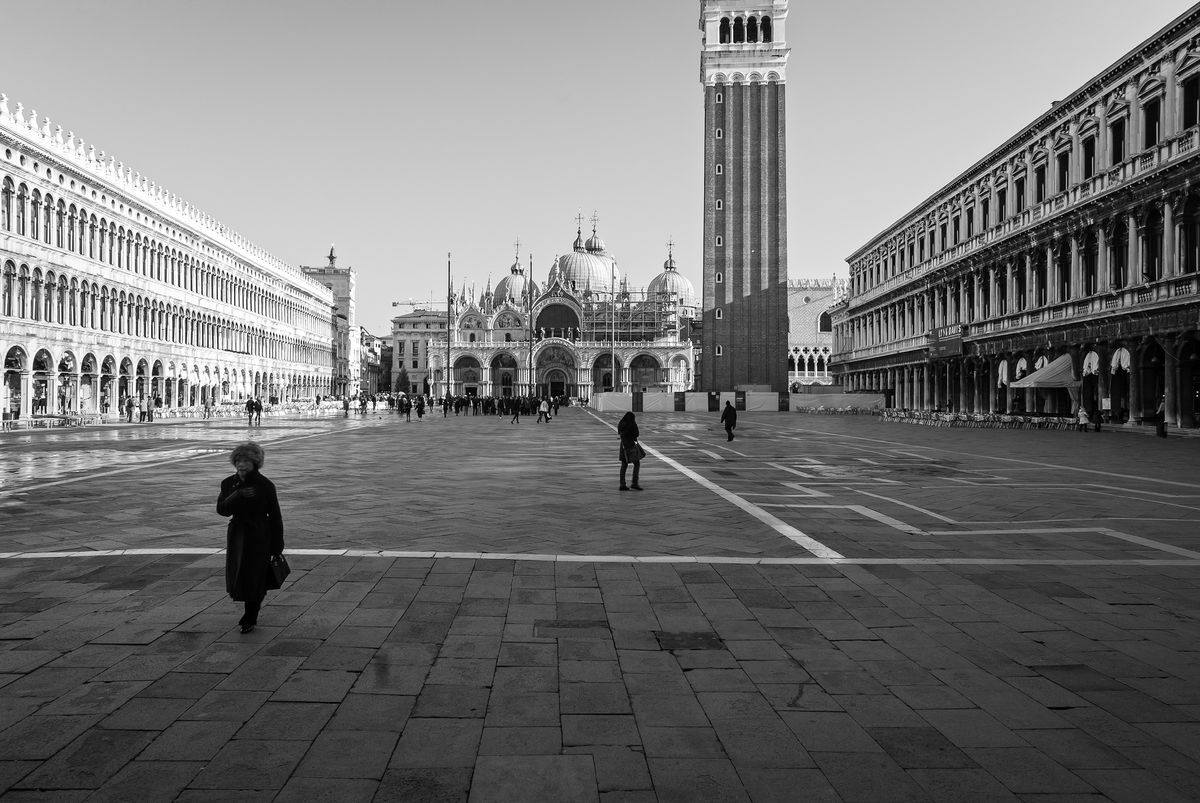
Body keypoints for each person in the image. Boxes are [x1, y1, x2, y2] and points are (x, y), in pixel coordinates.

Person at [216, 442, 285, 633]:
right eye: (238, 460)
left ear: (255, 463)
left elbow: (276, 516)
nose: (242, 465)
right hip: (238, 535)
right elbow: (222, 510)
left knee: (256, 575)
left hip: (259, 534)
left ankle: (250, 616)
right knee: (240, 574)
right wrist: (237, 495)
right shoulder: (228, 483)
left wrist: (277, 545)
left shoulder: (265, 485)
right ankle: (249, 611)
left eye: (246, 461)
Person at [618, 411, 643, 491]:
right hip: (631, 446)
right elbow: (636, 434)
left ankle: (622, 484)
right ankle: (634, 483)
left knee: (624, 465)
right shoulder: (632, 424)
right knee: (637, 463)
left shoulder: (621, 424)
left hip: (623, 446)